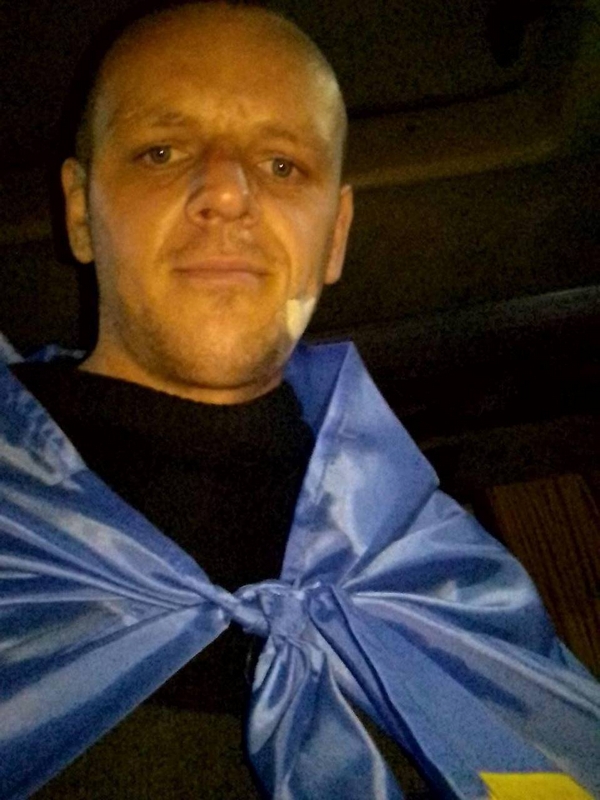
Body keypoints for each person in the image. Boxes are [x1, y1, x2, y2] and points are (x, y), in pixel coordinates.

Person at [0, 3, 598, 799]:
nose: (226, 191)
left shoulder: (448, 579)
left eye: (282, 165)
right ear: (81, 212)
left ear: (335, 236)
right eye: (161, 151)